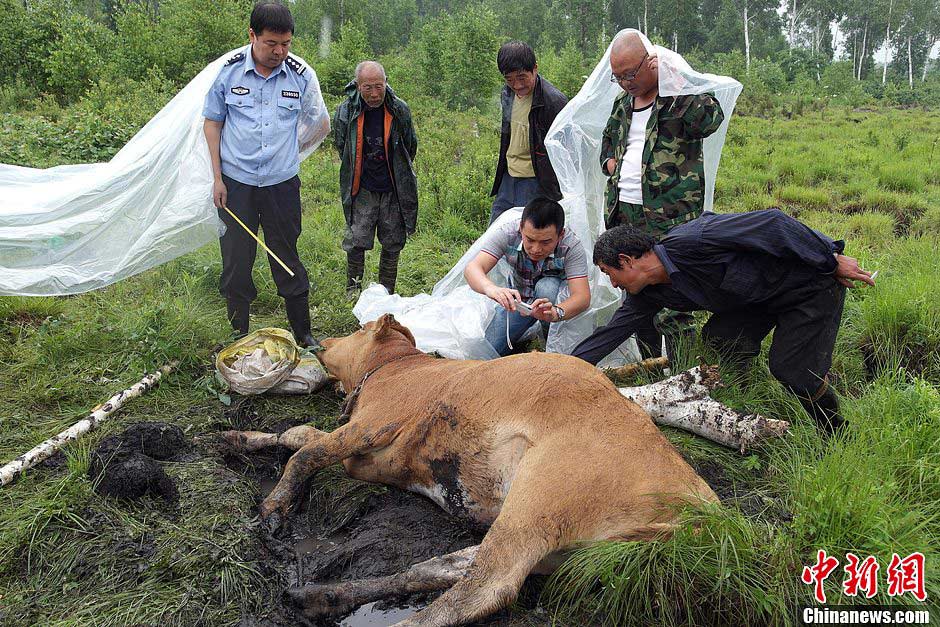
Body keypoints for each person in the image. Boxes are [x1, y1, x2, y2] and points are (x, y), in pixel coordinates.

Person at [571, 209, 876, 435]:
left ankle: (836, 431)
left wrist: (829, 257)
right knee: (721, 336)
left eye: (609, 273)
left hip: (809, 287)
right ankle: (749, 396)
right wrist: (560, 367)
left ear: (626, 261)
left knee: (793, 372)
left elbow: (774, 223)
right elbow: (611, 333)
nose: (612, 284)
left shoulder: (697, 239)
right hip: (758, 301)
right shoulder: (648, 294)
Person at [203, 2, 329, 347]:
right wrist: (217, 178)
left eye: (286, 44)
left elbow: (320, 123)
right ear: (252, 35)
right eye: (271, 43)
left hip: (281, 186)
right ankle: (237, 334)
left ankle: (304, 335)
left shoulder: (301, 75)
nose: (279, 51)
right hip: (236, 185)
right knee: (236, 258)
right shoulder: (228, 72)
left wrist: (289, 152)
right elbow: (212, 124)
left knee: (285, 254)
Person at [600, 31, 725, 361]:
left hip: (670, 217)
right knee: (637, 295)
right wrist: (609, 163)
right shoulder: (622, 104)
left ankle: (683, 376)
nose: (625, 82)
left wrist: (676, 84)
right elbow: (608, 142)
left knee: (675, 301)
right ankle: (651, 370)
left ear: (651, 63)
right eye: (618, 77)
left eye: (630, 74)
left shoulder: (680, 96)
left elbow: (710, 120)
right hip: (623, 214)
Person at [333, 61, 418, 299]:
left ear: (386, 82)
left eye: (378, 87)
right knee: (356, 240)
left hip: (393, 189)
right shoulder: (346, 111)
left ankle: (386, 292)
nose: (374, 94)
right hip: (362, 188)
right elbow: (343, 147)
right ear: (358, 86)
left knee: (393, 242)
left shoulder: (399, 109)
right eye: (368, 87)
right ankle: (353, 289)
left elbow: (410, 146)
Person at [465, 198, 591, 357]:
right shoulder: (507, 233)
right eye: (530, 240)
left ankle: (549, 338)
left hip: (555, 305)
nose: (536, 249)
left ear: (560, 235)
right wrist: (492, 289)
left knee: (547, 287)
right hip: (519, 302)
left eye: (546, 242)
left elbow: (582, 296)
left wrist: (555, 313)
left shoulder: (571, 245)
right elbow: (473, 268)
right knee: (486, 353)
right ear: (520, 228)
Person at [489, 41, 569, 225]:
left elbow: (565, 151)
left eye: (522, 77)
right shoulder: (507, 94)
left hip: (536, 182)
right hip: (508, 178)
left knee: (528, 237)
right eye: (509, 79)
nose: (516, 85)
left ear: (535, 68)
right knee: (496, 232)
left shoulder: (553, 102)